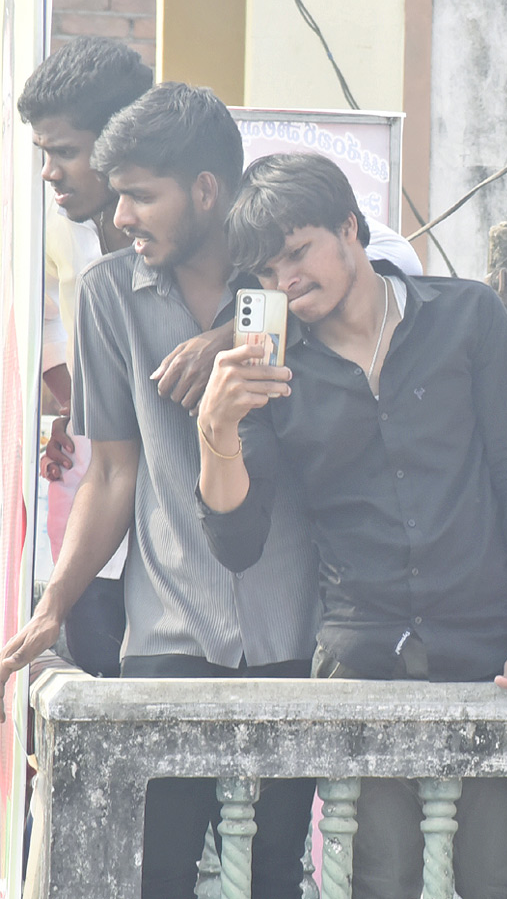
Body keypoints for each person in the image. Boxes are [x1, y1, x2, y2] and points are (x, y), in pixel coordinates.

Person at [195, 151, 507, 899]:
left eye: (297, 252)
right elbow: (238, 540)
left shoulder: (466, 316)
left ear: (351, 227)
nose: (286, 281)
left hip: (490, 654)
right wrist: (216, 431)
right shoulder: (274, 371)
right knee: (381, 880)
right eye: (268, 272)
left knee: (495, 878)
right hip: (361, 655)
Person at [0, 83, 321, 899]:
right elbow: (113, 472)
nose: (126, 214)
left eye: (143, 195)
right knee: (158, 876)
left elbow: (378, 261)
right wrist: (53, 607)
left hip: (294, 631)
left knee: (273, 878)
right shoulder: (106, 296)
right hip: (167, 632)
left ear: (206, 191)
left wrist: (237, 332)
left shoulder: (290, 281)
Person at [18, 36, 153, 677]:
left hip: (182, 554)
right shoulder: (63, 238)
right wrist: (70, 407)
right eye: (45, 154)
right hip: (95, 522)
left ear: (118, 142)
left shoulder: (194, 247)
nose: (49, 173)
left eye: (65, 153)